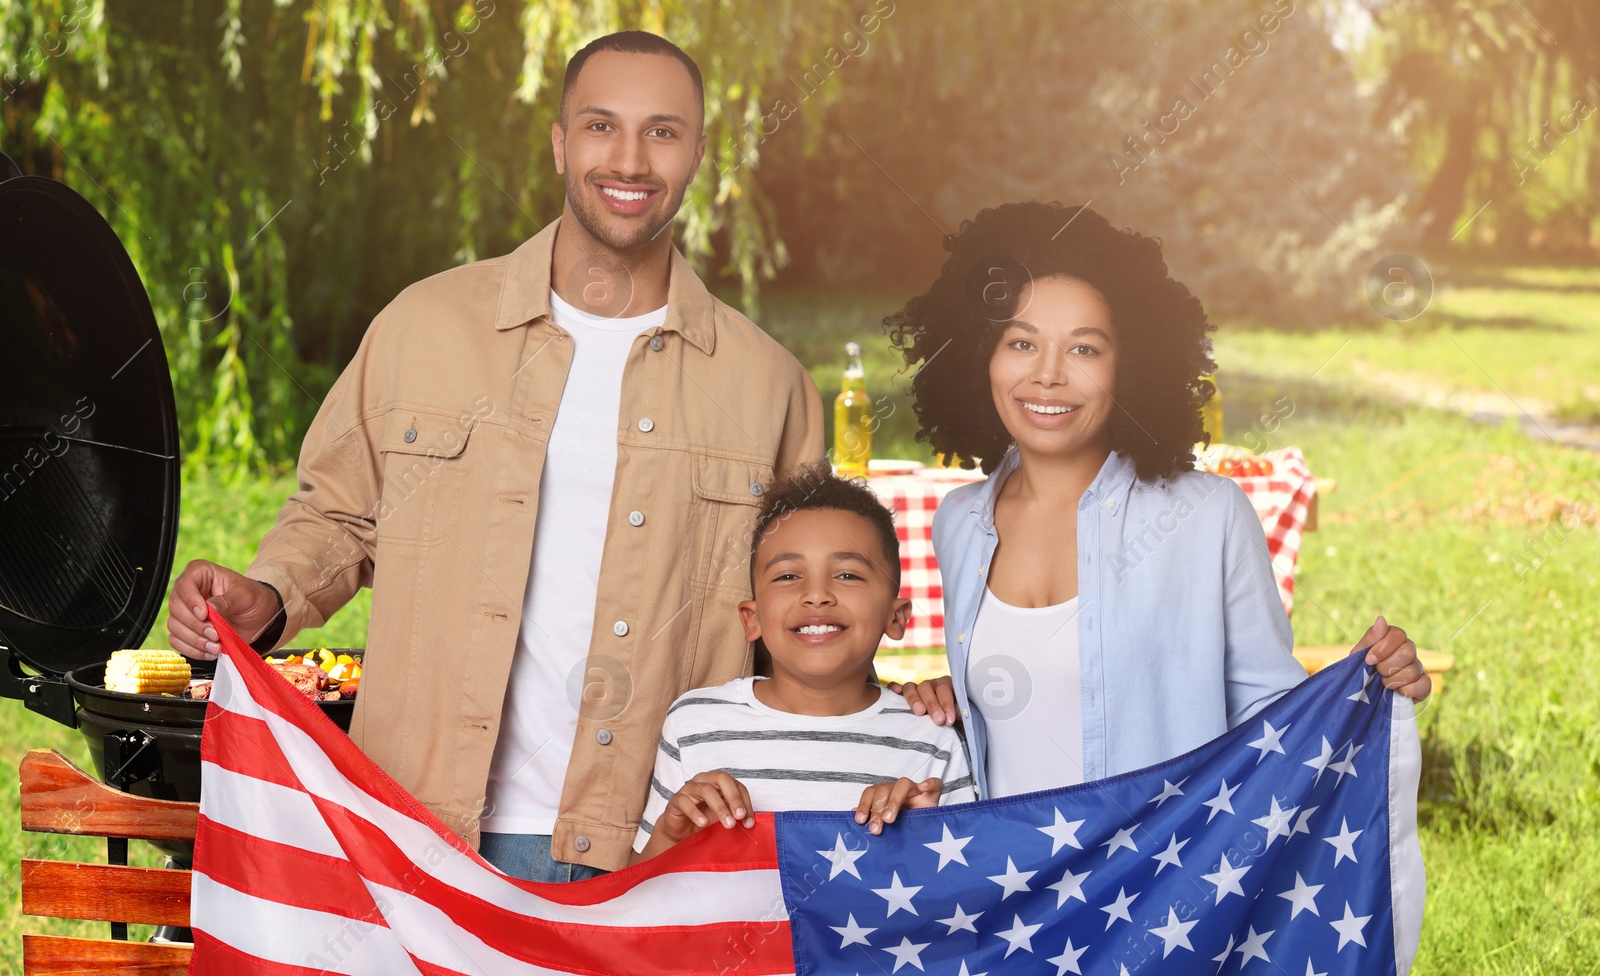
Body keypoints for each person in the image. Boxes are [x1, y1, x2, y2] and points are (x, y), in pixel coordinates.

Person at [163, 31, 824, 881]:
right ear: (558, 141)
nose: (629, 159)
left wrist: (909, 704)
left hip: (656, 849)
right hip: (425, 830)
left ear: (698, 151)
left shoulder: (771, 385)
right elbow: (337, 512)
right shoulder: (424, 326)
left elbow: (813, 618)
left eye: (662, 131)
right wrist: (273, 593)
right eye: (600, 126)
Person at [888, 201, 1430, 799]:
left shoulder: (1208, 516)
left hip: (1156, 884)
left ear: (1132, 367)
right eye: (1021, 343)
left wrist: (1358, 688)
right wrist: (946, 704)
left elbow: (1270, 720)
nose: (1047, 375)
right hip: (1014, 888)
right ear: (977, 358)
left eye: (1084, 349)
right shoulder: (958, 523)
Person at [632, 466, 976, 862]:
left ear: (896, 618)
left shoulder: (933, 737)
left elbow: (962, 894)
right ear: (752, 619)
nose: (816, 595)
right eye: (788, 575)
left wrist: (918, 836)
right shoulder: (694, 723)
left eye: (847, 574)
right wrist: (670, 836)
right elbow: (641, 901)